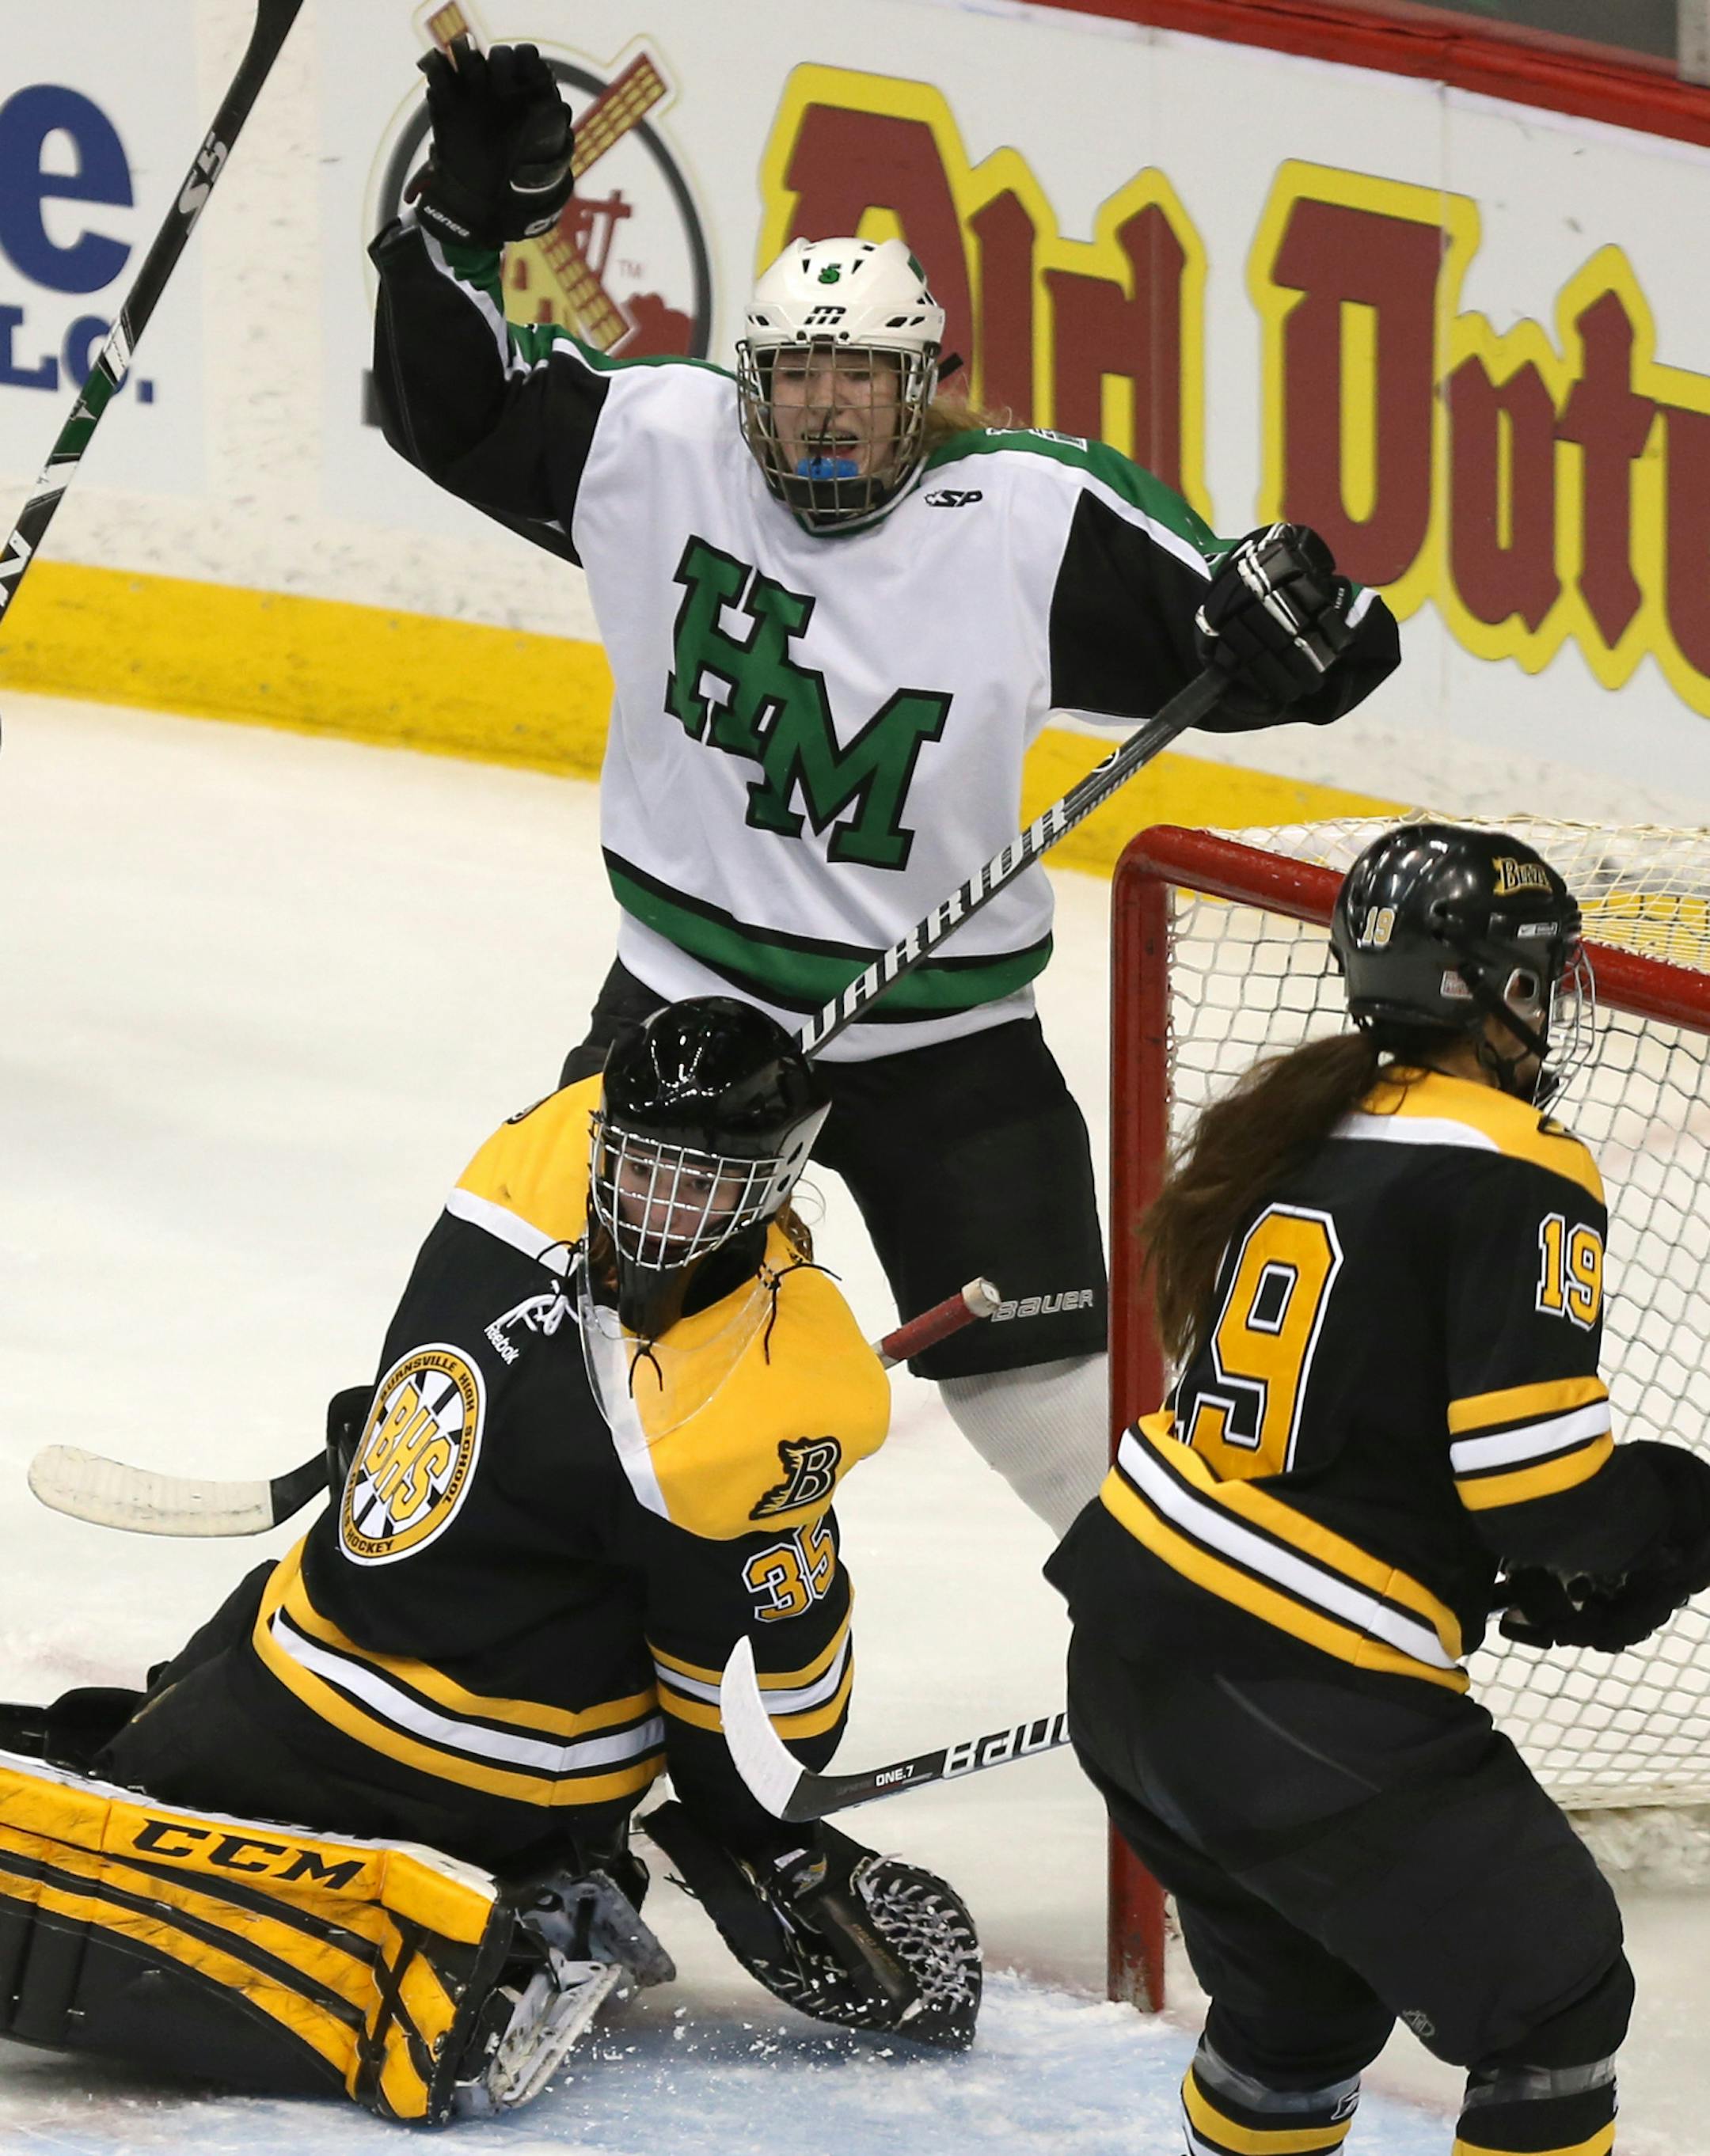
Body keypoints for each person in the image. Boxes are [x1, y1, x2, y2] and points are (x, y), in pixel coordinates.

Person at [366, 38, 1403, 1535]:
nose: (831, 409)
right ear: (751, 383)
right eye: (798, 375)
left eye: (866, 375)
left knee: (1066, 1417)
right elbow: (445, 414)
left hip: (947, 1051)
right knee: (519, 1344)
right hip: (677, 1020)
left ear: (931, 389)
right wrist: (457, 231)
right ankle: (415, 1580)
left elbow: (1282, 647)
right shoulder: (655, 447)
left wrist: (1311, 619)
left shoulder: (1032, 519)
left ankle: (1219, 1684)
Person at [0, 998, 979, 2124]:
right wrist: (756, 1826)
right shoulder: (688, 1322)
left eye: (700, 1182)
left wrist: (757, 1819)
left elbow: (764, 1700)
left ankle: (520, 1892)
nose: (660, 1208)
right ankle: (548, 1892)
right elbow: (772, 1709)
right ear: (603, 1129)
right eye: (646, 1164)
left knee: (107, 1831)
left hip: (458, 1747)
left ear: (777, 1181)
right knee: (148, 1736)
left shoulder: (555, 1189)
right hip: (338, 1661)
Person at [1046, 822, 1710, 2156]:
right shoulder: (1522, 1161)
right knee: (1554, 1999)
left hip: (1130, 1659)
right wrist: (1674, 1521)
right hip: (1302, 1694)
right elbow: (1537, 1490)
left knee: (1300, 2007)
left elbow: (1366, 1426)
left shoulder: (1295, 1125)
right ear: (1502, 989)